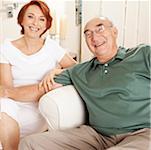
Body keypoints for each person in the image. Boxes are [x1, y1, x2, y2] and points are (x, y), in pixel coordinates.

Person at [19, 16, 151, 150]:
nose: (94, 37)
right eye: (88, 34)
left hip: (142, 133)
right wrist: (6, 92)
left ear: (114, 32)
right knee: (29, 143)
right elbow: (40, 89)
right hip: (97, 135)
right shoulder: (81, 71)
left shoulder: (143, 54)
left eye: (100, 29)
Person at [0, 0, 77, 150]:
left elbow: (77, 70)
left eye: (41, 19)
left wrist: (56, 71)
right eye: (30, 17)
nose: (35, 23)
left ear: (47, 24)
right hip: (12, 104)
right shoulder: (6, 48)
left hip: (39, 106)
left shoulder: (52, 47)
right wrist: (34, 89)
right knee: (3, 103)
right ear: (21, 19)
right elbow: (7, 91)